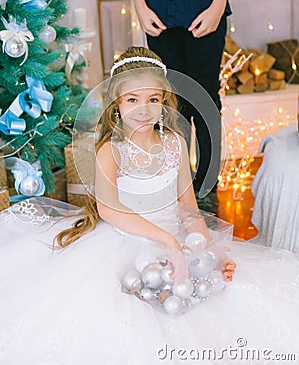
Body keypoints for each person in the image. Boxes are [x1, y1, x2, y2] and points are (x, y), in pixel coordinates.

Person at [0, 47, 299, 365]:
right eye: (132, 100)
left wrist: (210, 253)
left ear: (164, 101)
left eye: (153, 99)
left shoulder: (175, 144)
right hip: (123, 244)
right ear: (116, 105)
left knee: (227, 298)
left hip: (176, 242)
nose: (143, 109)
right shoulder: (110, 152)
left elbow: (188, 207)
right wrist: (167, 240)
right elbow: (110, 209)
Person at [112, 0, 237, 214]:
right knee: (170, 102)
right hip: (158, 13)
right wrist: (140, 7)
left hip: (205, 10)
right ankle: (176, 184)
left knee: (206, 99)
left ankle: (207, 187)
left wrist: (218, 6)